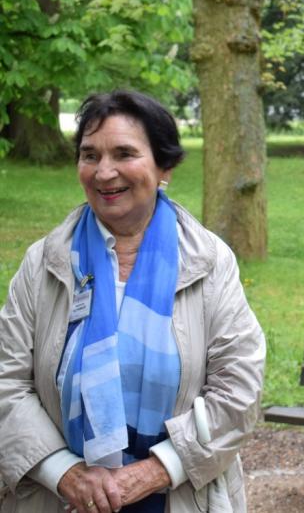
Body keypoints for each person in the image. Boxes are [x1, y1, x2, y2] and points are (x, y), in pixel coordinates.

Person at [0, 91, 265, 513]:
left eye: (124, 154)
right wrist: (66, 473)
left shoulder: (209, 263)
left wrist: (154, 471)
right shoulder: (44, 262)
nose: (104, 172)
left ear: (164, 167)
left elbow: (239, 391)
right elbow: (7, 382)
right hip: (57, 500)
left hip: (177, 498)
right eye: (90, 155)